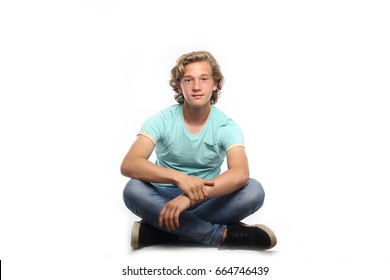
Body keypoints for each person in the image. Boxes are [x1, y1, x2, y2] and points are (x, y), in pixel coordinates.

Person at [121, 51, 276, 250]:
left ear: (215, 84)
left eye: (204, 79)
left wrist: (188, 198)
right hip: (163, 196)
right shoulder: (161, 120)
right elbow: (130, 163)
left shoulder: (226, 127)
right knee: (133, 189)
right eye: (188, 80)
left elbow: (240, 173)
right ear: (178, 85)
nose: (196, 87)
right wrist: (179, 178)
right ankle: (219, 235)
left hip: (209, 197)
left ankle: (163, 232)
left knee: (254, 190)